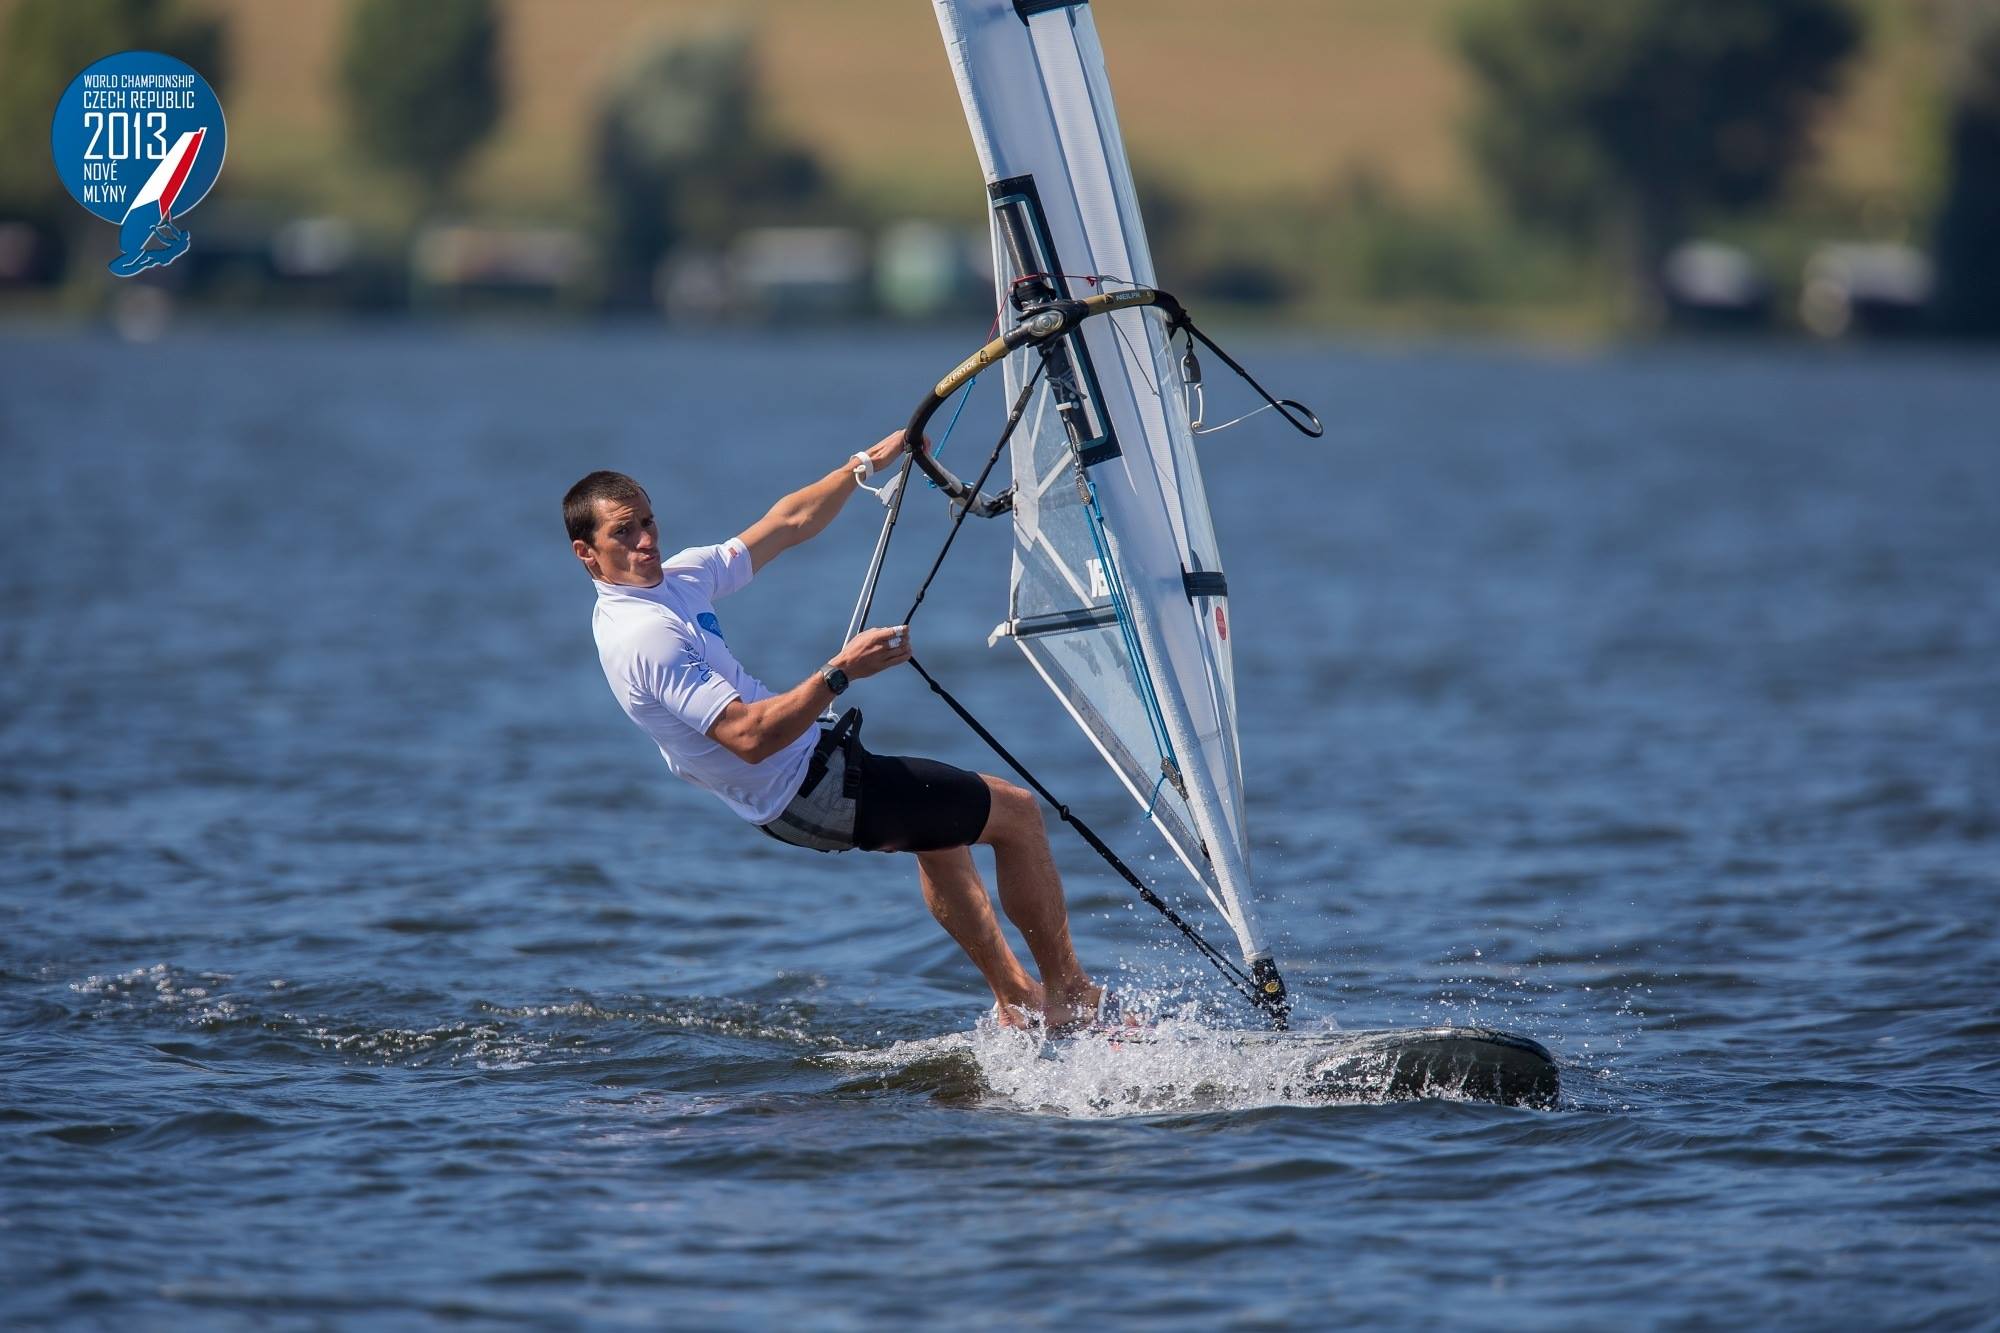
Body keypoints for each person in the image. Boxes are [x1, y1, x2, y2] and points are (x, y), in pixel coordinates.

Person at [565, 433, 1117, 1031]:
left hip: (807, 773)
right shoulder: (642, 634)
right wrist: (841, 671)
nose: (646, 541)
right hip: (801, 789)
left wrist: (867, 463)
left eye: (648, 522)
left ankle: (1017, 1002)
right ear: (586, 553)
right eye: (624, 532)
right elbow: (749, 738)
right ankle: (1072, 997)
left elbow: (789, 521)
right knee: (1016, 813)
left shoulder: (675, 582)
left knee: (939, 837)